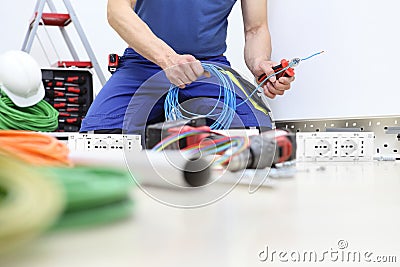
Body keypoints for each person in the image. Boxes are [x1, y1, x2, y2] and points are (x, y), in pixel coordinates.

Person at [80, 0, 295, 143]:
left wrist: (260, 63)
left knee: (257, 136)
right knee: (99, 139)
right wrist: (167, 59)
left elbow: (255, 29)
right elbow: (117, 11)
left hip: (209, 69)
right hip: (143, 64)